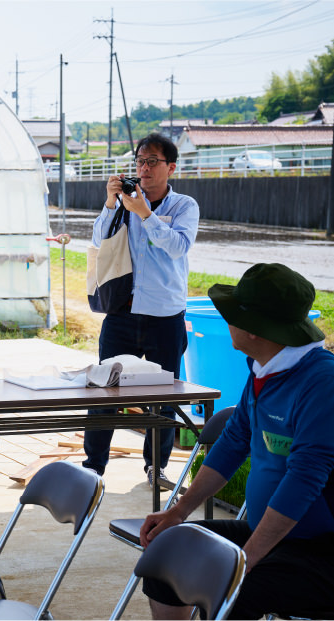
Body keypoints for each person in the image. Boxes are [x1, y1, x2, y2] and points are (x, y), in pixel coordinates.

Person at [139, 263, 334, 620]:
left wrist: (247, 559)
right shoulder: (264, 367)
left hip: (319, 549)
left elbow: (304, 480)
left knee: (230, 590)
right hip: (268, 535)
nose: (225, 319)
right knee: (168, 553)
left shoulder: (322, 382)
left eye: (232, 314)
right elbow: (231, 445)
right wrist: (178, 513)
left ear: (257, 330)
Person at [82, 132, 199, 486]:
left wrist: (145, 214)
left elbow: (178, 247)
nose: (144, 169)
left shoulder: (184, 206)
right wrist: (110, 203)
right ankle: (93, 466)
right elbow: (99, 241)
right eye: (140, 161)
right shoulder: (125, 201)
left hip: (165, 314)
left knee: (162, 397)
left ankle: (156, 466)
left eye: (152, 162)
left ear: (171, 167)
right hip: (122, 312)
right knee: (104, 390)